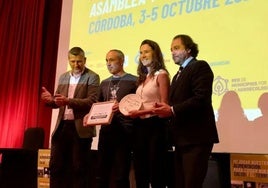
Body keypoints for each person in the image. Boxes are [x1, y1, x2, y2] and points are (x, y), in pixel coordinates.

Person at [153, 34, 219, 188]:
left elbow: (200, 98)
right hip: (181, 139)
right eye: (171, 50)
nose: (173, 53)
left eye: (177, 48)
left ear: (189, 49)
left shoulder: (200, 66)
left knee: (191, 183)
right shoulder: (177, 75)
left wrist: (172, 110)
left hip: (196, 137)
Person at [41, 47, 100, 188]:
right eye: (72, 61)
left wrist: (68, 101)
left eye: (79, 61)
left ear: (85, 60)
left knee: (79, 168)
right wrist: (51, 100)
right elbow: (58, 101)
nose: (76, 65)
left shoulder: (92, 76)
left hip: (81, 127)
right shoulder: (63, 77)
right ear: (69, 60)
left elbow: (92, 101)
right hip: (62, 126)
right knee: (56, 166)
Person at [84, 49, 137, 188]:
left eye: (112, 60)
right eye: (106, 60)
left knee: (121, 173)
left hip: (125, 131)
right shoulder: (104, 83)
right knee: (101, 172)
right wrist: (89, 116)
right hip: (106, 131)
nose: (108, 63)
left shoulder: (133, 81)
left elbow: (137, 104)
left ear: (122, 61)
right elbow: (98, 105)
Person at [128, 39, 170, 188]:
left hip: (156, 125)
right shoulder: (143, 78)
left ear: (155, 53)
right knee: (140, 169)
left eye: (146, 51)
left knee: (156, 168)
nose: (143, 55)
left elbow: (165, 106)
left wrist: (142, 111)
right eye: (140, 52)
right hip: (139, 125)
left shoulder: (162, 74)